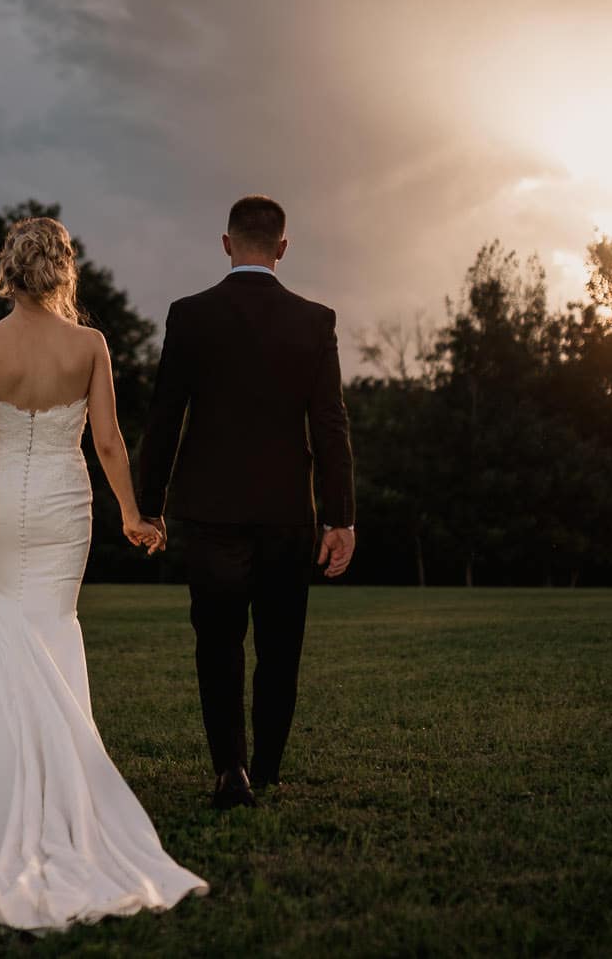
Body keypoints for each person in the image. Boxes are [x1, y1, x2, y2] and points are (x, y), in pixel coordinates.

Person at [0, 215, 210, 931]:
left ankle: (13, 790)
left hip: (2, 505)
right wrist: (133, 512)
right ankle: (62, 793)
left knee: (9, 636)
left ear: (10, 267)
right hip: (65, 507)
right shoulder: (90, 344)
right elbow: (107, 439)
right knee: (52, 631)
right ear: (63, 267)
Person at [135, 194, 356, 809]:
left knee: (218, 642)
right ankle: (270, 765)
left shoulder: (189, 314)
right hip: (288, 512)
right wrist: (340, 517)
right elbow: (331, 425)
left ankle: (231, 769)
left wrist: (148, 506)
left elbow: (164, 418)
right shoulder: (315, 321)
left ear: (227, 243)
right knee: (280, 645)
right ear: (282, 248)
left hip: (208, 511)